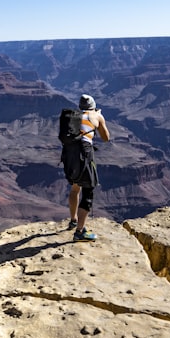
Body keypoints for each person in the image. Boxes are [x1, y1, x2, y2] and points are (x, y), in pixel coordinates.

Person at [65, 94, 111, 242]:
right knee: (89, 190)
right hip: (84, 155)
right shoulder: (96, 116)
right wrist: (99, 117)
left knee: (75, 187)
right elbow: (106, 138)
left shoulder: (74, 116)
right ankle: (79, 232)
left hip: (70, 156)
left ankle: (73, 220)